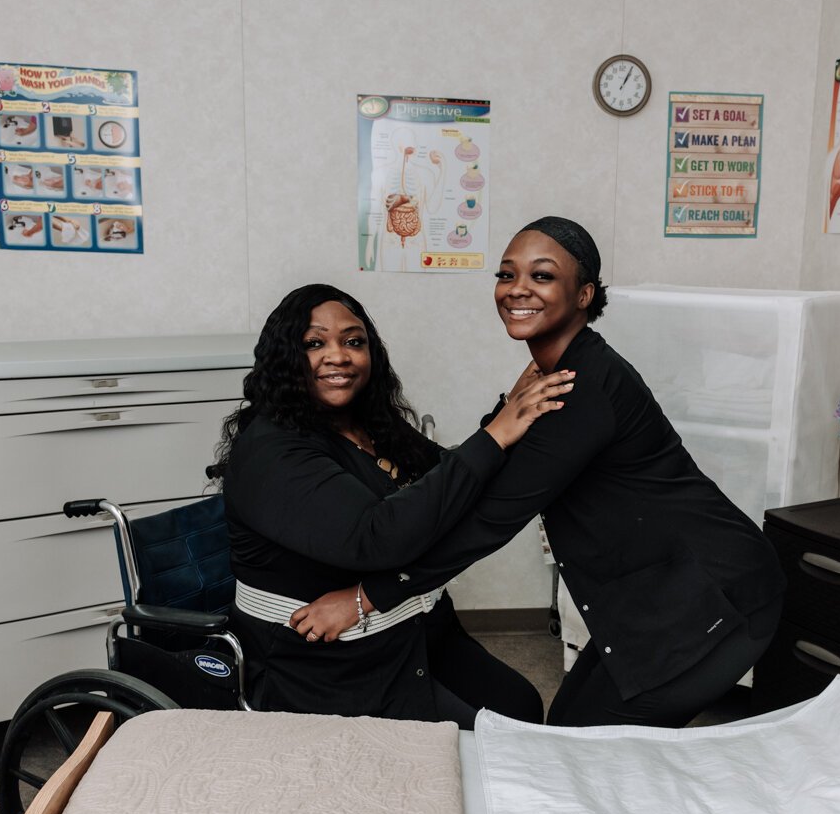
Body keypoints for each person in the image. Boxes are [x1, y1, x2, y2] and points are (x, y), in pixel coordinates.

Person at [292, 218, 785, 728]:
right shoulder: (554, 378)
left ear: (583, 294)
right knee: (568, 733)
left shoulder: (583, 387)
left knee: (576, 750)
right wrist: (505, 413)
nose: (517, 289)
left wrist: (364, 598)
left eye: (542, 276)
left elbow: (490, 517)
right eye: (507, 275)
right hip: (654, 597)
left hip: (717, 596)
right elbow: (486, 465)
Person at [219, 283, 572, 728]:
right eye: (314, 343)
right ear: (285, 358)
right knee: (482, 740)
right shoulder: (272, 451)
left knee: (519, 708)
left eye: (353, 341)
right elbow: (378, 536)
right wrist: (498, 432)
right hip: (328, 663)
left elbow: (449, 486)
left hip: (414, 631)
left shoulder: (371, 425)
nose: (339, 356)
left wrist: (512, 414)